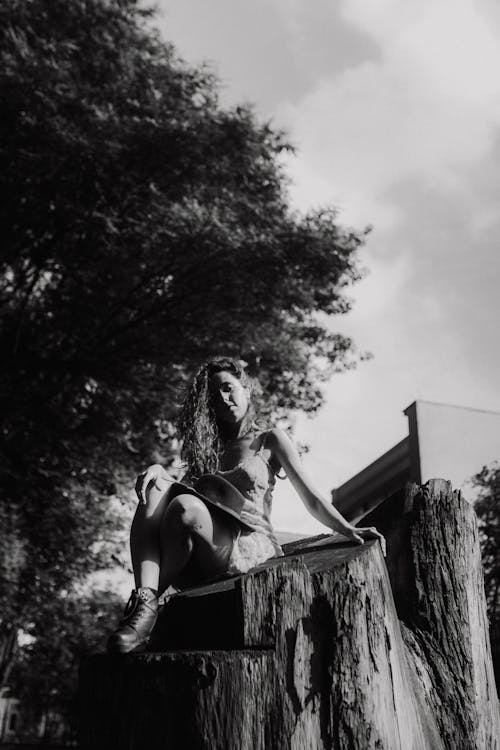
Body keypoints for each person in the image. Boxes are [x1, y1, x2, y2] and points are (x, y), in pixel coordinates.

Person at [107, 356, 385, 653]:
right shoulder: (208, 450)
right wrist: (160, 471)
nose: (224, 399)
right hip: (205, 549)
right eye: (214, 397)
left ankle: (148, 609)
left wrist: (347, 528)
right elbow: (172, 494)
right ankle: (144, 605)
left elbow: (312, 498)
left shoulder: (270, 439)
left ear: (246, 389)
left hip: (249, 545)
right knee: (156, 486)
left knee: (185, 508)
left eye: (228, 388)